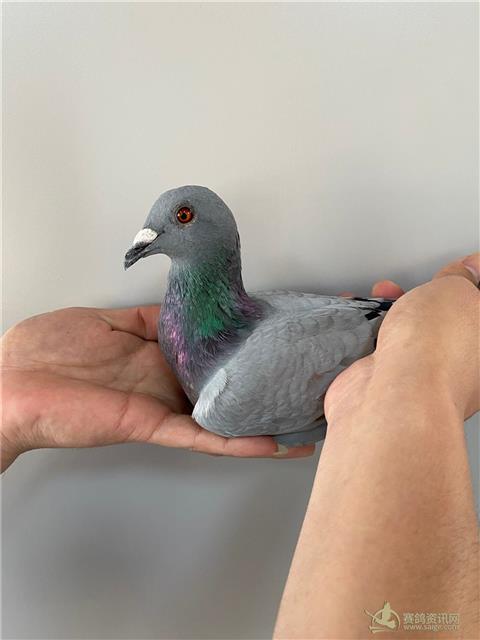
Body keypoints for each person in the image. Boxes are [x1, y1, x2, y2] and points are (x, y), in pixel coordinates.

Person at [2, 254, 479, 637]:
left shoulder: (233, 388)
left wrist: (414, 365)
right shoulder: (222, 357)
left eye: (182, 218)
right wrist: (423, 375)